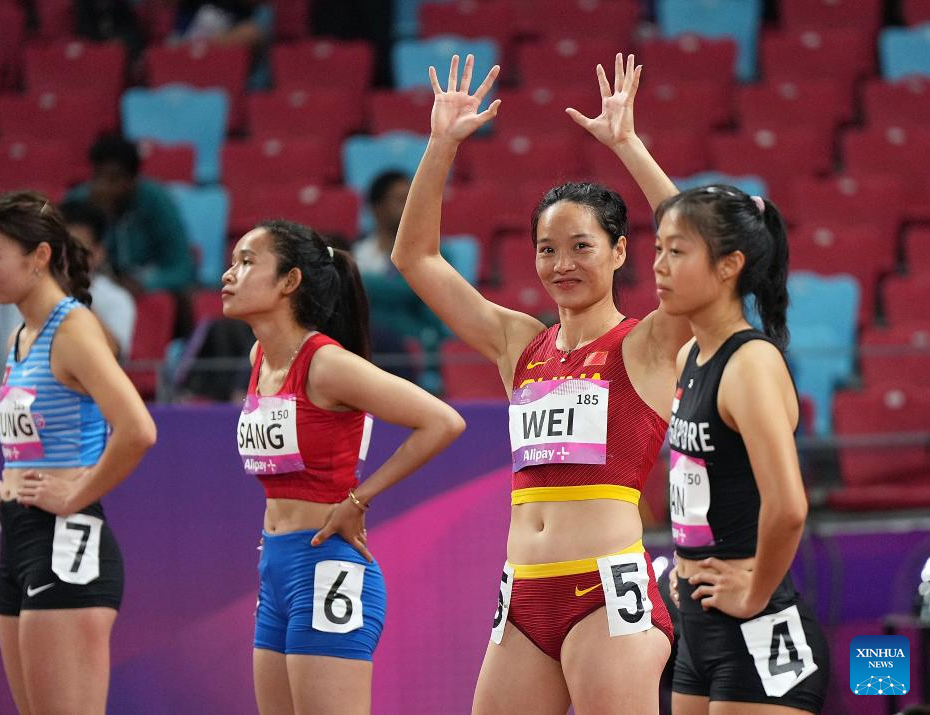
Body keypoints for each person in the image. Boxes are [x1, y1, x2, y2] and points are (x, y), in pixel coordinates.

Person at [392, 53, 692, 713]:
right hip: (523, 596)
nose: (562, 264)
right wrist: (441, 144)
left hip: (605, 595)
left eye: (582, 246)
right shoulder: (518, 344)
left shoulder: (644, 344)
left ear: (620, 251)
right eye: (547, 249)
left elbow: (696, 250)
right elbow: (414, 257)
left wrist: (628, 145)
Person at [222, 219, 466, 713]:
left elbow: (443, 421)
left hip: (325, 566)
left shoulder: (326, 364)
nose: (229, 274)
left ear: (290, 281)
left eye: (247, 262)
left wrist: (360, 499)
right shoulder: (258, 357)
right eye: (233, 261)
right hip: (275, 568)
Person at [0, 191, 157, 714]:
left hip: (64, 541)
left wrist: (75, 493)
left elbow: (138, 429)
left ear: (38, 257)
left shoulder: (74, 328)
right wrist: (12, 482)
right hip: (19, 538)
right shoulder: (19, 336)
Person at [657, 186, 829, 714]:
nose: (660, 265)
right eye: (658, 249)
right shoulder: (690, 353)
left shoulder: (751, 364)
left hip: (758, 628)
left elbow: (789, 506)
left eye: (676, 251)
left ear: (730, 265)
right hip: (697, 627)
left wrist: (754, 595)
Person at [0, 200, 136, 403]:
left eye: (75, 249)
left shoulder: (117, 301)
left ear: (98, 253)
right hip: (11, 417)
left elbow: (112, 354)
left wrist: (72, 290)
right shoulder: (13, 286)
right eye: (60, 248)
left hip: (77, 418)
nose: (65, 258)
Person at [66, 133, 194, 297]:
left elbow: (182, 267)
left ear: (133, 180)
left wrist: (145, 283)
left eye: (113, 179)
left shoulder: (156, 201)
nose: (102, 187)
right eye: (98, 177)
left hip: (146, 287)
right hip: (95, 287)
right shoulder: (78, 203)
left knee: (184, 295)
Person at [354, 170, 445, 386]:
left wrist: (361, 282)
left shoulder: (433, 252)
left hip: (413, 350)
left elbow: (413, 290)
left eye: (412, 198)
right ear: (376, 208)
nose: (410, 206)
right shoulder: (358, 252)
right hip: (365, 348)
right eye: (401, 199)